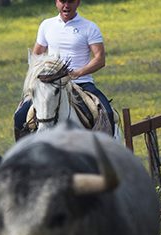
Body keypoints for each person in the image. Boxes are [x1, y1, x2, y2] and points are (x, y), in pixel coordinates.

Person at [14, 0, 114, 140]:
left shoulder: (89, 27)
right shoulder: (46, 25)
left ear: (77, 2)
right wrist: (40, 77)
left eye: (71, 1)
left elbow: (99, 59)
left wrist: (78, 73)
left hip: (82, 83)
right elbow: (37, 56)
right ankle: (23, 156)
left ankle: (106, 151)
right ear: (56, 2)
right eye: (62, 1)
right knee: (19, 116)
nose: (66, 5)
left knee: (107, 113)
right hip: (50, 84)